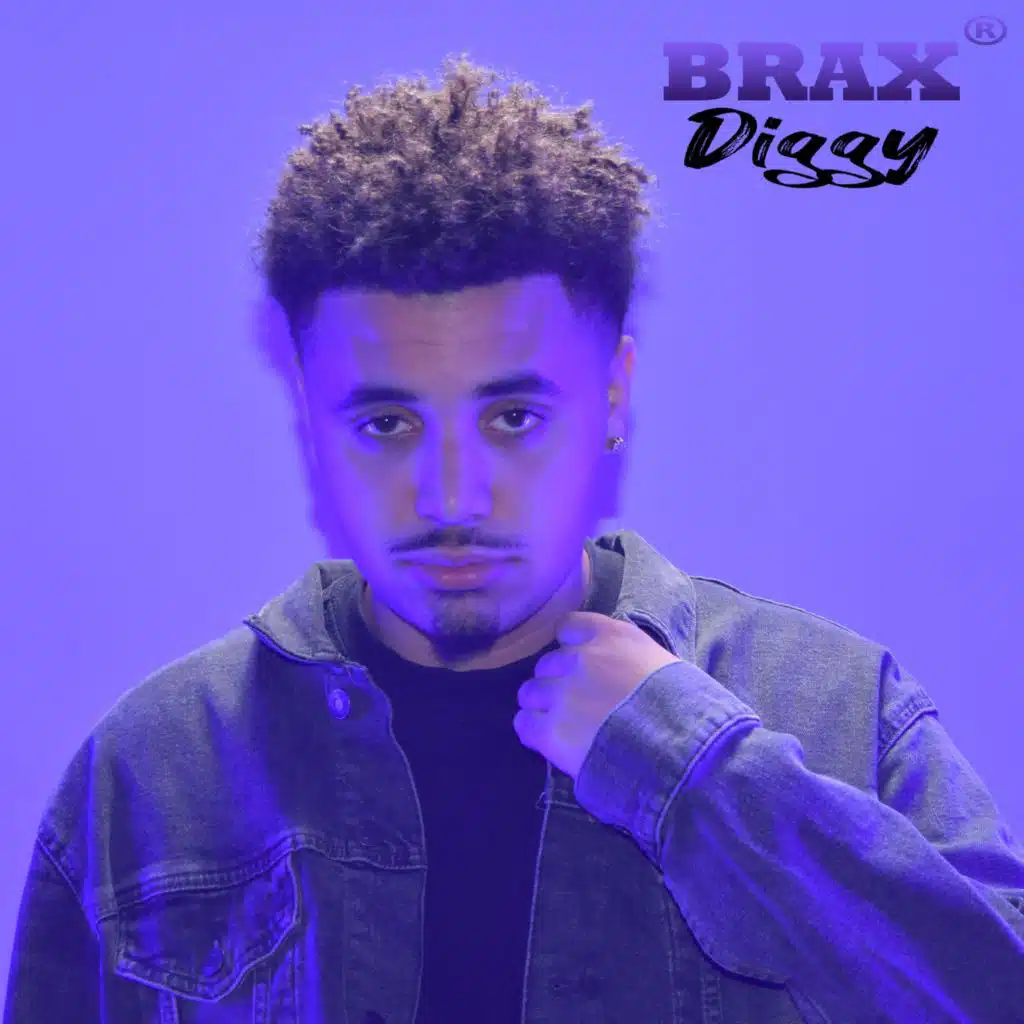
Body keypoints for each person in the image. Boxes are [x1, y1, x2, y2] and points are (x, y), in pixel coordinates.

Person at [5, 54, 1024, 1024]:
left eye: (514, 418)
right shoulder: (156, 765)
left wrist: (692, 771)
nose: (452, 493)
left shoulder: (835, 709)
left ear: (614, 393)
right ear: (309, 411)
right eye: (387, 423)